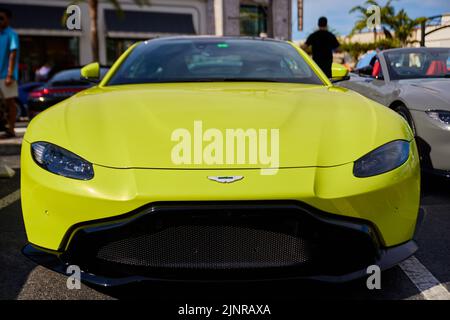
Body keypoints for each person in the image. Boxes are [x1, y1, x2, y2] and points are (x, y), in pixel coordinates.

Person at [0, 7, 19, 138]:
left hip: (7, 76)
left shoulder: (12, 34)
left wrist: (9, 75)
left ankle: (11, 129)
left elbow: (13, 54)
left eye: (1, 18)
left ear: (7, 19)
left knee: (10, 103)